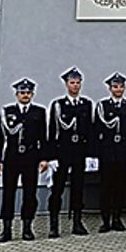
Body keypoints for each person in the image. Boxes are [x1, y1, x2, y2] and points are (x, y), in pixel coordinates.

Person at [0, 80, 48, 243]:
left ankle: (27, 228)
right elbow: (0, 138)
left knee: (30, 194)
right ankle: (6, 229)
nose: (25, 95)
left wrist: (44, 158)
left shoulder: (39, 112)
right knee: (8, 193)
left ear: (32, 95)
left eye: (28, 93)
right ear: (17, 95)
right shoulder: (7, 112)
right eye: (22, 93)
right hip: (12, 157)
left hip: (31, 157)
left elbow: (43, 137)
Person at [46, 66, 93, 238]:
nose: (75, 86)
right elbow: (52, 131)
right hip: (62, 152)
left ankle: (77, 223)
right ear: (66, 84)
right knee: (57, 190)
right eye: (72, 83)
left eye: (78, 83)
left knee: (78, 189)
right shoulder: (58, 105)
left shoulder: (86, 104)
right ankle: (54, 224)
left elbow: (89, 131)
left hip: (79, 152)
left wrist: (90, 154)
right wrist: (51, 157)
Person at [95, 73, 126, 233]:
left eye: (121, 86)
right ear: (110, 88)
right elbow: (97, 130)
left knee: (120, 187)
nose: (118, 89)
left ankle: (117, 218)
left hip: (123, 153)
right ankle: (105, 220)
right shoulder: (103, 106)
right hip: (106, 153)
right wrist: (93, 154)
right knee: (106, 187)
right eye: (115, 86)